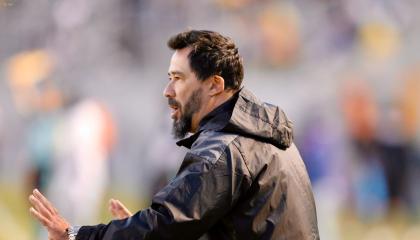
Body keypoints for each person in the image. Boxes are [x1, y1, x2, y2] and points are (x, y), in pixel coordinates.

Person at [29, 30, 319, 240]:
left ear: (215, 85)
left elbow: (168, 224)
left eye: (178, 79)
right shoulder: (261, 136)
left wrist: (75, 235)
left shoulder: (225, 147)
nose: (167, 91)